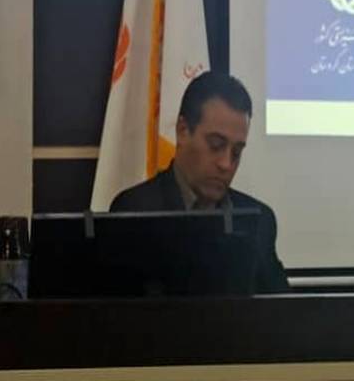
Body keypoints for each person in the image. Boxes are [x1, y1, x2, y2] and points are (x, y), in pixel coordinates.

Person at [110, 71, 290, 293]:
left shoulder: (259, 221)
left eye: (236, 152)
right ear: (182, 131)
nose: (226, 164)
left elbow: (284, 311)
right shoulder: (135, 213)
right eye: (216, 145)